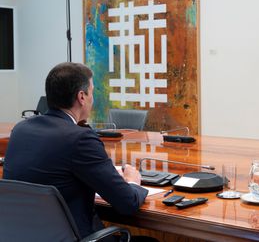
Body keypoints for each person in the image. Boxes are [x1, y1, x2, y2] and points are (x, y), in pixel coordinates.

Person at [3, 63, 149, 240]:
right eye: (92, 92)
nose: (92, 99)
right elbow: (127, 203)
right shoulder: (80, 139)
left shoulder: (20, 130)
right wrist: (133, 182)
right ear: (81, 97)